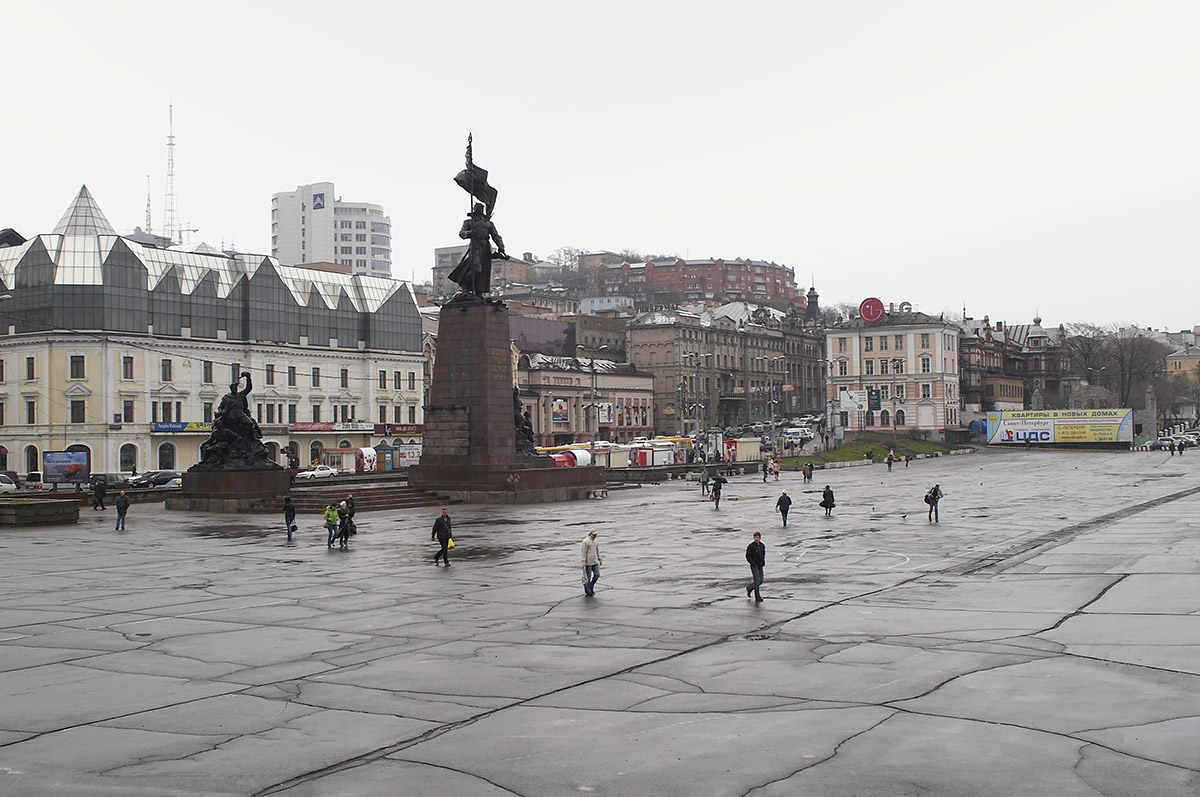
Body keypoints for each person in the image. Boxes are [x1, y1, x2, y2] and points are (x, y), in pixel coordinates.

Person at [448, 202, 506, 295]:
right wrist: (470, 233)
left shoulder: (488, 223)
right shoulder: (468, 222)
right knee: (475, 268)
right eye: (477, 208)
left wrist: (501, 246)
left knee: (484, 271)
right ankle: (465, 286)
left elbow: (495, 235)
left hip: (486, 247)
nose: (479, 210)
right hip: (475, 246)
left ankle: (479, 292)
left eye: (480, 208)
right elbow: (462, 233)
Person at [745, 531, 765, 603]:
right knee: (757, 581)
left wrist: (763, 562)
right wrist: (752, 562)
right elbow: (748, 556)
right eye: (755, 537)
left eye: (757, 537)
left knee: (761, 580)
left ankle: (749, 588)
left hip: (760, 564)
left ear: (760, 538)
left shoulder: (762, 545)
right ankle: (757, 597)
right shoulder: (751, 546)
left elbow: (763, 554)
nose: (756, 539)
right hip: (754, 565)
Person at [581, 529, 602, 596]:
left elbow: (597, 550)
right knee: (588, 577)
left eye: (596, 534)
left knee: (597, 574)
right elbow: (583, 552)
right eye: (594, 534)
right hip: (588, 562)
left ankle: (591, 586)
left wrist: (600, 559)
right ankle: (588, 590)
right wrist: (583, 561)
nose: (595, 536)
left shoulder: (595, 541)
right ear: (590, 534)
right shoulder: (586, 542)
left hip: (595, 561)